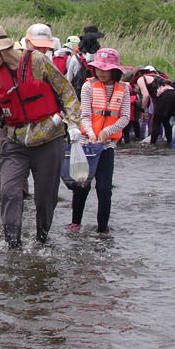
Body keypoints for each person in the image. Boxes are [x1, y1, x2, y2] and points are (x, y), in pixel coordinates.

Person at [0, 24, 82, 248]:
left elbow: (66, 92)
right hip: (16, 142)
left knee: (45, 199)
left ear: (2, 50)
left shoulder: (38, 61)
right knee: (9, 191)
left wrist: (74, 124)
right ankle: (12, 245)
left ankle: (41, 241)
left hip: (48, 140)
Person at [69, 48, 130, 235]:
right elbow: (85, 115)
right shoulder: (88, 87)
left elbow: (125, 117)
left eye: (106, 69)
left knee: (104, 189)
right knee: (82, 186)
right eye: (99, 69)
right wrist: (91, 133)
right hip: (87, 144)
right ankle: (75, 223)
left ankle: (103, 227)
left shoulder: (124, 89)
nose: (101, 72)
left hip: (107, 146)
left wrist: (107, 131)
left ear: (115, 70)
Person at [138, 66, 175, 147]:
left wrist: (143, 110)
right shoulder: (158, 77)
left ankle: (152, 145)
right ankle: (169, 143)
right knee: (166, 121)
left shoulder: (141, 79)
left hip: (165, 96)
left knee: (156, 122)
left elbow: (146, 95)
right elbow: (155, 100)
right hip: (173, 95)